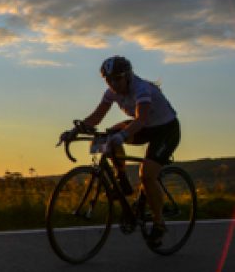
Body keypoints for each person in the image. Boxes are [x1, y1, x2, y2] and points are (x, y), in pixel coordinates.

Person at [63, 56, 180, 248]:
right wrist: (74, 131)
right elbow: (97, 117)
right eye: (109, 80)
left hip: (165, 130)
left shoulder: (141, 89)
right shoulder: (111, 93)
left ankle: (159, 224)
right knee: (109, 135)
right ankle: (122, 180)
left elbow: (141, 119)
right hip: (143, 127)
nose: (113, 84)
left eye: (117, 79)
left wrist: (123, 136)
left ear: (127, 76)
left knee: (147, 175)